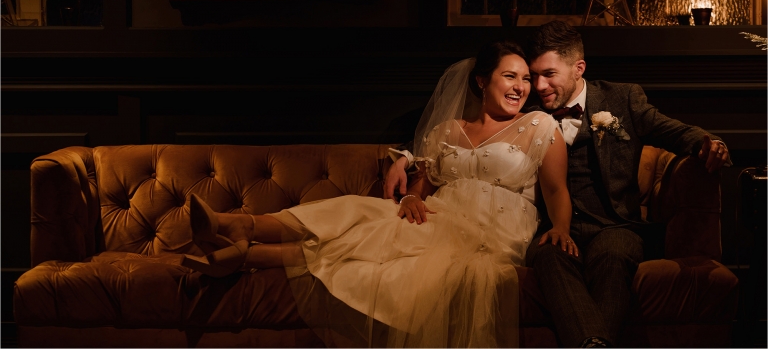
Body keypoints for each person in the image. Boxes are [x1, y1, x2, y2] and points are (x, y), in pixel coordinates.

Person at [181, 40, 573, 347]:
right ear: (482, 81)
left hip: (495, 227)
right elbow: (423, 185)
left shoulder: (539, 125)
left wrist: (561, 228)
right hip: (438, 215)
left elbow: (555, 188)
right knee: (362, 214)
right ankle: (240, 232)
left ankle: (243, 239)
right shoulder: (447, 130)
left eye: (525, 79)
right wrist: (409, 198)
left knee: (375, 234)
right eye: (510, 77)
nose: (521, 87)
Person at [385, 21, 731, 348]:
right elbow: (454, 134)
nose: (537, 86)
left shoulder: (620, 99)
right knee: (549, 258)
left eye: (549, 75)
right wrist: (403, 156)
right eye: (533, 75)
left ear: (578, 69)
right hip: (549, 227)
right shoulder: (523, 105)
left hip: (613, 225)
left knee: (612, 257)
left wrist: (707, 141)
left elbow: (670, 129)